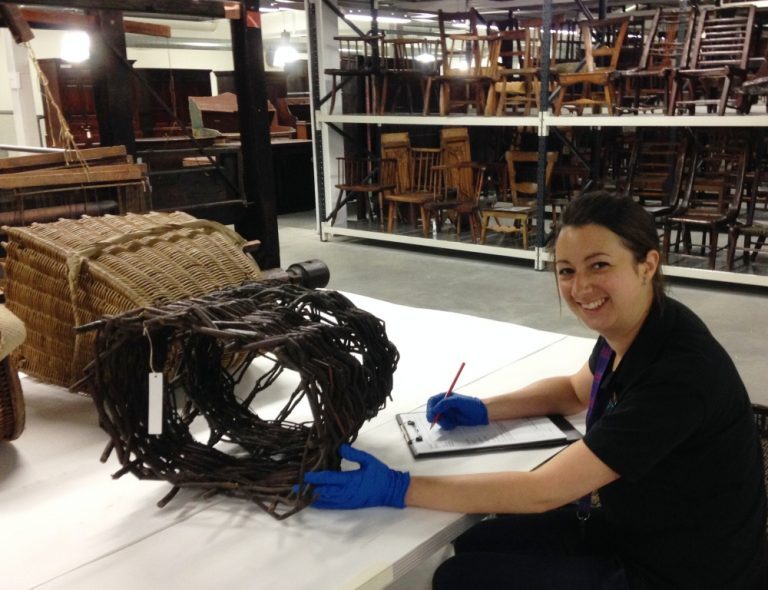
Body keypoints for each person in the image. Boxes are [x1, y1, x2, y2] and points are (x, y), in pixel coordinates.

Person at [298, 192, 768, 589]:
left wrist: (398, 488)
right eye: (565, 270)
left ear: (648, 264)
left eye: (599, 265)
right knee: (477, 541)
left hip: (688, 572)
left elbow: (543, 490)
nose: (580, 287)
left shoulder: (679, 374)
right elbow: (574, 390)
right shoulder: (640, 327)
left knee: (461, 577)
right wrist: (484, 409)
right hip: (646, 528)